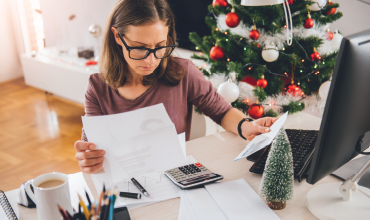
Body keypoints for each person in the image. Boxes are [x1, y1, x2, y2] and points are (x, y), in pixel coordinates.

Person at [74, 0, 278, 174]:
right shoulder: (97, 88)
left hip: (175, 175)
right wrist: (88, 158)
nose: (152, 60)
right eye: (140, 48)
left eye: (160, 46)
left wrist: (247, 127)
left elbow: (222, 112)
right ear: (118, 36)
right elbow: (92, 148)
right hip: (126, 181)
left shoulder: (183, 72)